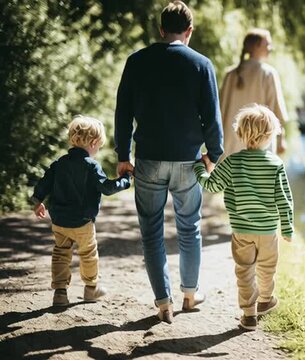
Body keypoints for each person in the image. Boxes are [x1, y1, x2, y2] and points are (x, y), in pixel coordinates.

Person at [114, 1, 224, 323]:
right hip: (188, 162)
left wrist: (123, 155)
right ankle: (190, 294)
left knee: (151, 232)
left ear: (161, 30)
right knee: (189, 227)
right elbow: (212, 117)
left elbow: (123, 113)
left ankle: (163, 302)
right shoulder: (202, 64)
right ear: (189, 31)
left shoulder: (137, 62)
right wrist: (213, 155)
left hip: (148, 159)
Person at [194, 104, 294, 330]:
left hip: (241, 231)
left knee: (245, 271)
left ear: (240, 134)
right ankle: (266, 300)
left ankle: (249, 315)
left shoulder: (232, 162)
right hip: (268, 231)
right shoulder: (276, 164)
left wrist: (200, 168)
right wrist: (287, 229)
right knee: (267, 268)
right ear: (269, 136)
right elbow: (284, 199)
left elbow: (212, 184)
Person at [31, 116, 131, 306]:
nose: (98, 149)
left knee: (60, 253)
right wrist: (125, 180)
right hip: (83, 221)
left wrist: (37, 201)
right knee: (88, 253)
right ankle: (91, 290)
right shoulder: (91, 166)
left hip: (59, 221)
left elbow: (43, 184)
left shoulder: (59, 163)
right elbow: (107, 188)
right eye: (99, 146)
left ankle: (60, 293)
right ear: (93, 143)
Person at [219, 28, 289, 160]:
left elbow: (220, 112)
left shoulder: (230, 75)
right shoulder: (268, 74)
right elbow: (277, 112)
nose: (270, 48)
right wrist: (281, 139)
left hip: (230, 148)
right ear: (256, 46)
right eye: (267, 44)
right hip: (260, 147)